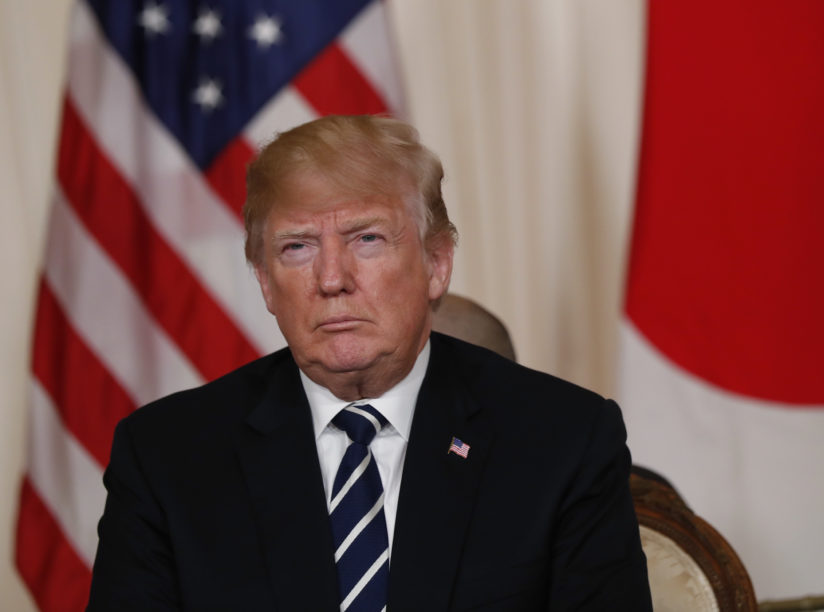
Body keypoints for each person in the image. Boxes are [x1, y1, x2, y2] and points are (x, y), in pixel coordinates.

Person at [87, 115, 652, 611]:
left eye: (368, 239)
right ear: (264, 282)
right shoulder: (166, 457)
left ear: (436, 263)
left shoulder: (564, 440)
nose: (332, 280)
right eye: (297, 247)